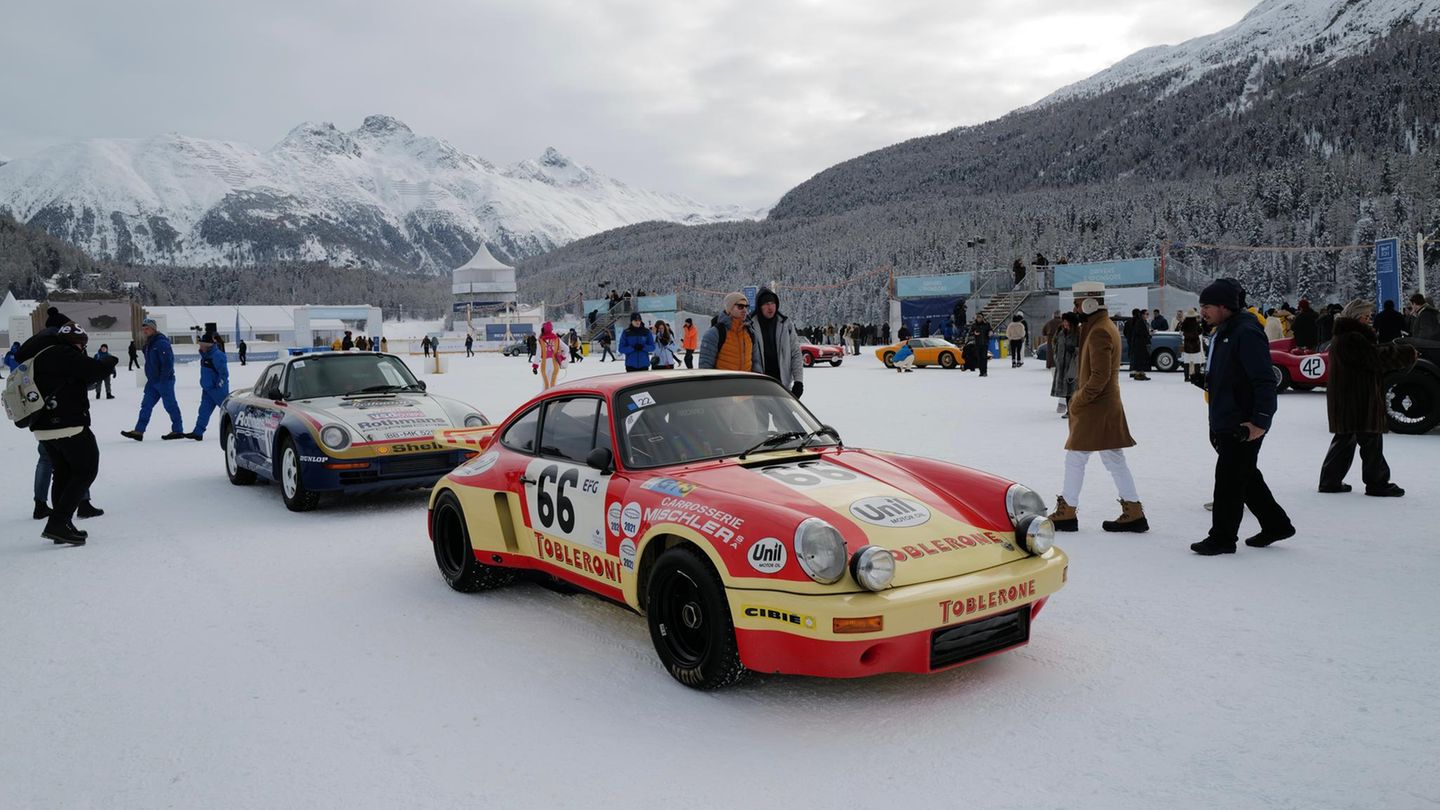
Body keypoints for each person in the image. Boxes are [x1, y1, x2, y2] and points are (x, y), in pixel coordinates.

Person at [1190, 279, 1294, 555]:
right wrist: (1205, 380)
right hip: (1225, 418)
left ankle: (1222, 538)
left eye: (1207, 306)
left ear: (1225, 306)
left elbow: (1263, 379)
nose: (1203, 311)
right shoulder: (1224, 330)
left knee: (1228, 480)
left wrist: (1260, 421)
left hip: (1243, 423)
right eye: (1201, 306)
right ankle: (1276, 524)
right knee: (1244, 475)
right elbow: (1232, 376)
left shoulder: (1246, 331)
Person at [1045, 281, 1148, 534]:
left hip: (1096, 406)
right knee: (1112, 459)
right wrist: (1076, 324)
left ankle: (1068, 511)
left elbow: (1099, 376)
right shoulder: (1099, 325)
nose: (1075, 308)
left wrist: (1078, 400)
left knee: (1076, 456)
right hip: (1102, 405)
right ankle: (1133, 511)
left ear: (1089, 303)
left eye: (1078, 303)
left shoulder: (1100, 330)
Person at [14, 316, 118, 545]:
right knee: (86, 468)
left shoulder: (41, 356)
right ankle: (59, 523)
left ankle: (61, 526)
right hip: (67, 425)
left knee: (62, 472)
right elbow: (93, 371)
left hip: (43, 427)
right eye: (82, 344)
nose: (83, 348)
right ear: (75, 341)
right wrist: (109, 361)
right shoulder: (62, 354)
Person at [1318, 299, 1415, 496]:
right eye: (1366, 315)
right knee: (1370, 440)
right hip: (1358, 397)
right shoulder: (1352, 337)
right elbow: (1374, 358)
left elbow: (1370, 355)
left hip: (1348, 396)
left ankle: (1330, 481)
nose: (1369, 319)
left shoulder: (1345, 336)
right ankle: (1377, 483)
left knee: (1346, 439)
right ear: (1356, 316)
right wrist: (1406, 353)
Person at [120, 318, 185, 441]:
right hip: (152, 381)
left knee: (170, 405)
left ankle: (178, 430)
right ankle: (139, 431)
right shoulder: (149, 343)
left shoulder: (161, 343)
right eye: (144, 329)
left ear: (153, 329)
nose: (145, 331)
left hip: (164, 381)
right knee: (146, 405)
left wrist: (163, 379)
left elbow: (168, 362)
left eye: (147, 328)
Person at [748, 287, 804, 398]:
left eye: (772, 303)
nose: (770, 307)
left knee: (784, 415)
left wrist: (798, 381)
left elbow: (796, 353)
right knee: (761, 416)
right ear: (760, 306)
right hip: (759, 385)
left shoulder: (785, 324)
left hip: (782, 384)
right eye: (766, 304)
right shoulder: (750, 325)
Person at [185, 333, 230, 440]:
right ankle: (198, 432)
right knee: (203, 411)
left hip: (218, 390)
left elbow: (224, 373)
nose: (200, 347)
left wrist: (219, 385)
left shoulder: (218, 355)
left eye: (201, 345)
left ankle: (235, 430)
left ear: (208, 345)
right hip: (207, 390)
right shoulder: (205, 356)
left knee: (228, 412)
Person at [699, 293, 758, 372]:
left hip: (747, 383)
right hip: (724, 383)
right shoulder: (715, 333)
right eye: (740, 306)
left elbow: (756, 363)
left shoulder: (750, 333)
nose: (744, 310)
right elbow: (705, 369)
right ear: (729, 309)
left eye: (746, 307)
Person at [1050, 312, 1079, 415]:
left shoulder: (1078, 333)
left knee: (1073, 388)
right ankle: (1069, 410)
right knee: (1066, 390)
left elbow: (1084, 348)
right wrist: (1056, 355)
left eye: (1067, 322)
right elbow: (1054, 342)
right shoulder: (1060, 332)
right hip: (1061, 364)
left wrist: (1075, 350)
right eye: (1064, 322)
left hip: (1072, 364)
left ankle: (1073, 410)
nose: (1065, 324)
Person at [535, 322, 566, 389]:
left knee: (545, 384)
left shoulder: (540, 340)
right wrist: (562, 357)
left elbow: (538, 354)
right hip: (554, 363)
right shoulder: (557, 339)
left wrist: (535, 366)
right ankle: (554, 397)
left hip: (545, 364)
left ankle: (544, 398)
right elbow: (566, 348)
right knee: (553, 383)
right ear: (551, 329)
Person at [1126, 309, 1152, 380]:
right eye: (1146, 314)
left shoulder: (1142, 322)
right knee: (1140, 360)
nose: (1147, 315)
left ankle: (1141, 373)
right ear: (1142, 315)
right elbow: (1139, 333)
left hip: (1140, 343)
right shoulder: (1140, 322)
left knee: (1141, 359)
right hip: (1139, 344)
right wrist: (1148, 334)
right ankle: (1139, 374)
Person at [1179, 308, 1205, 379]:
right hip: (1195, 345)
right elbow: (1200, 331)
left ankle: (1186, 377)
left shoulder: (1184, 323)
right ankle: (1197, 377)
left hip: (1187, 345)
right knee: (1196, 362)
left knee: (1186, 362)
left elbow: (1181, 331)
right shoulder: (1196, 323)